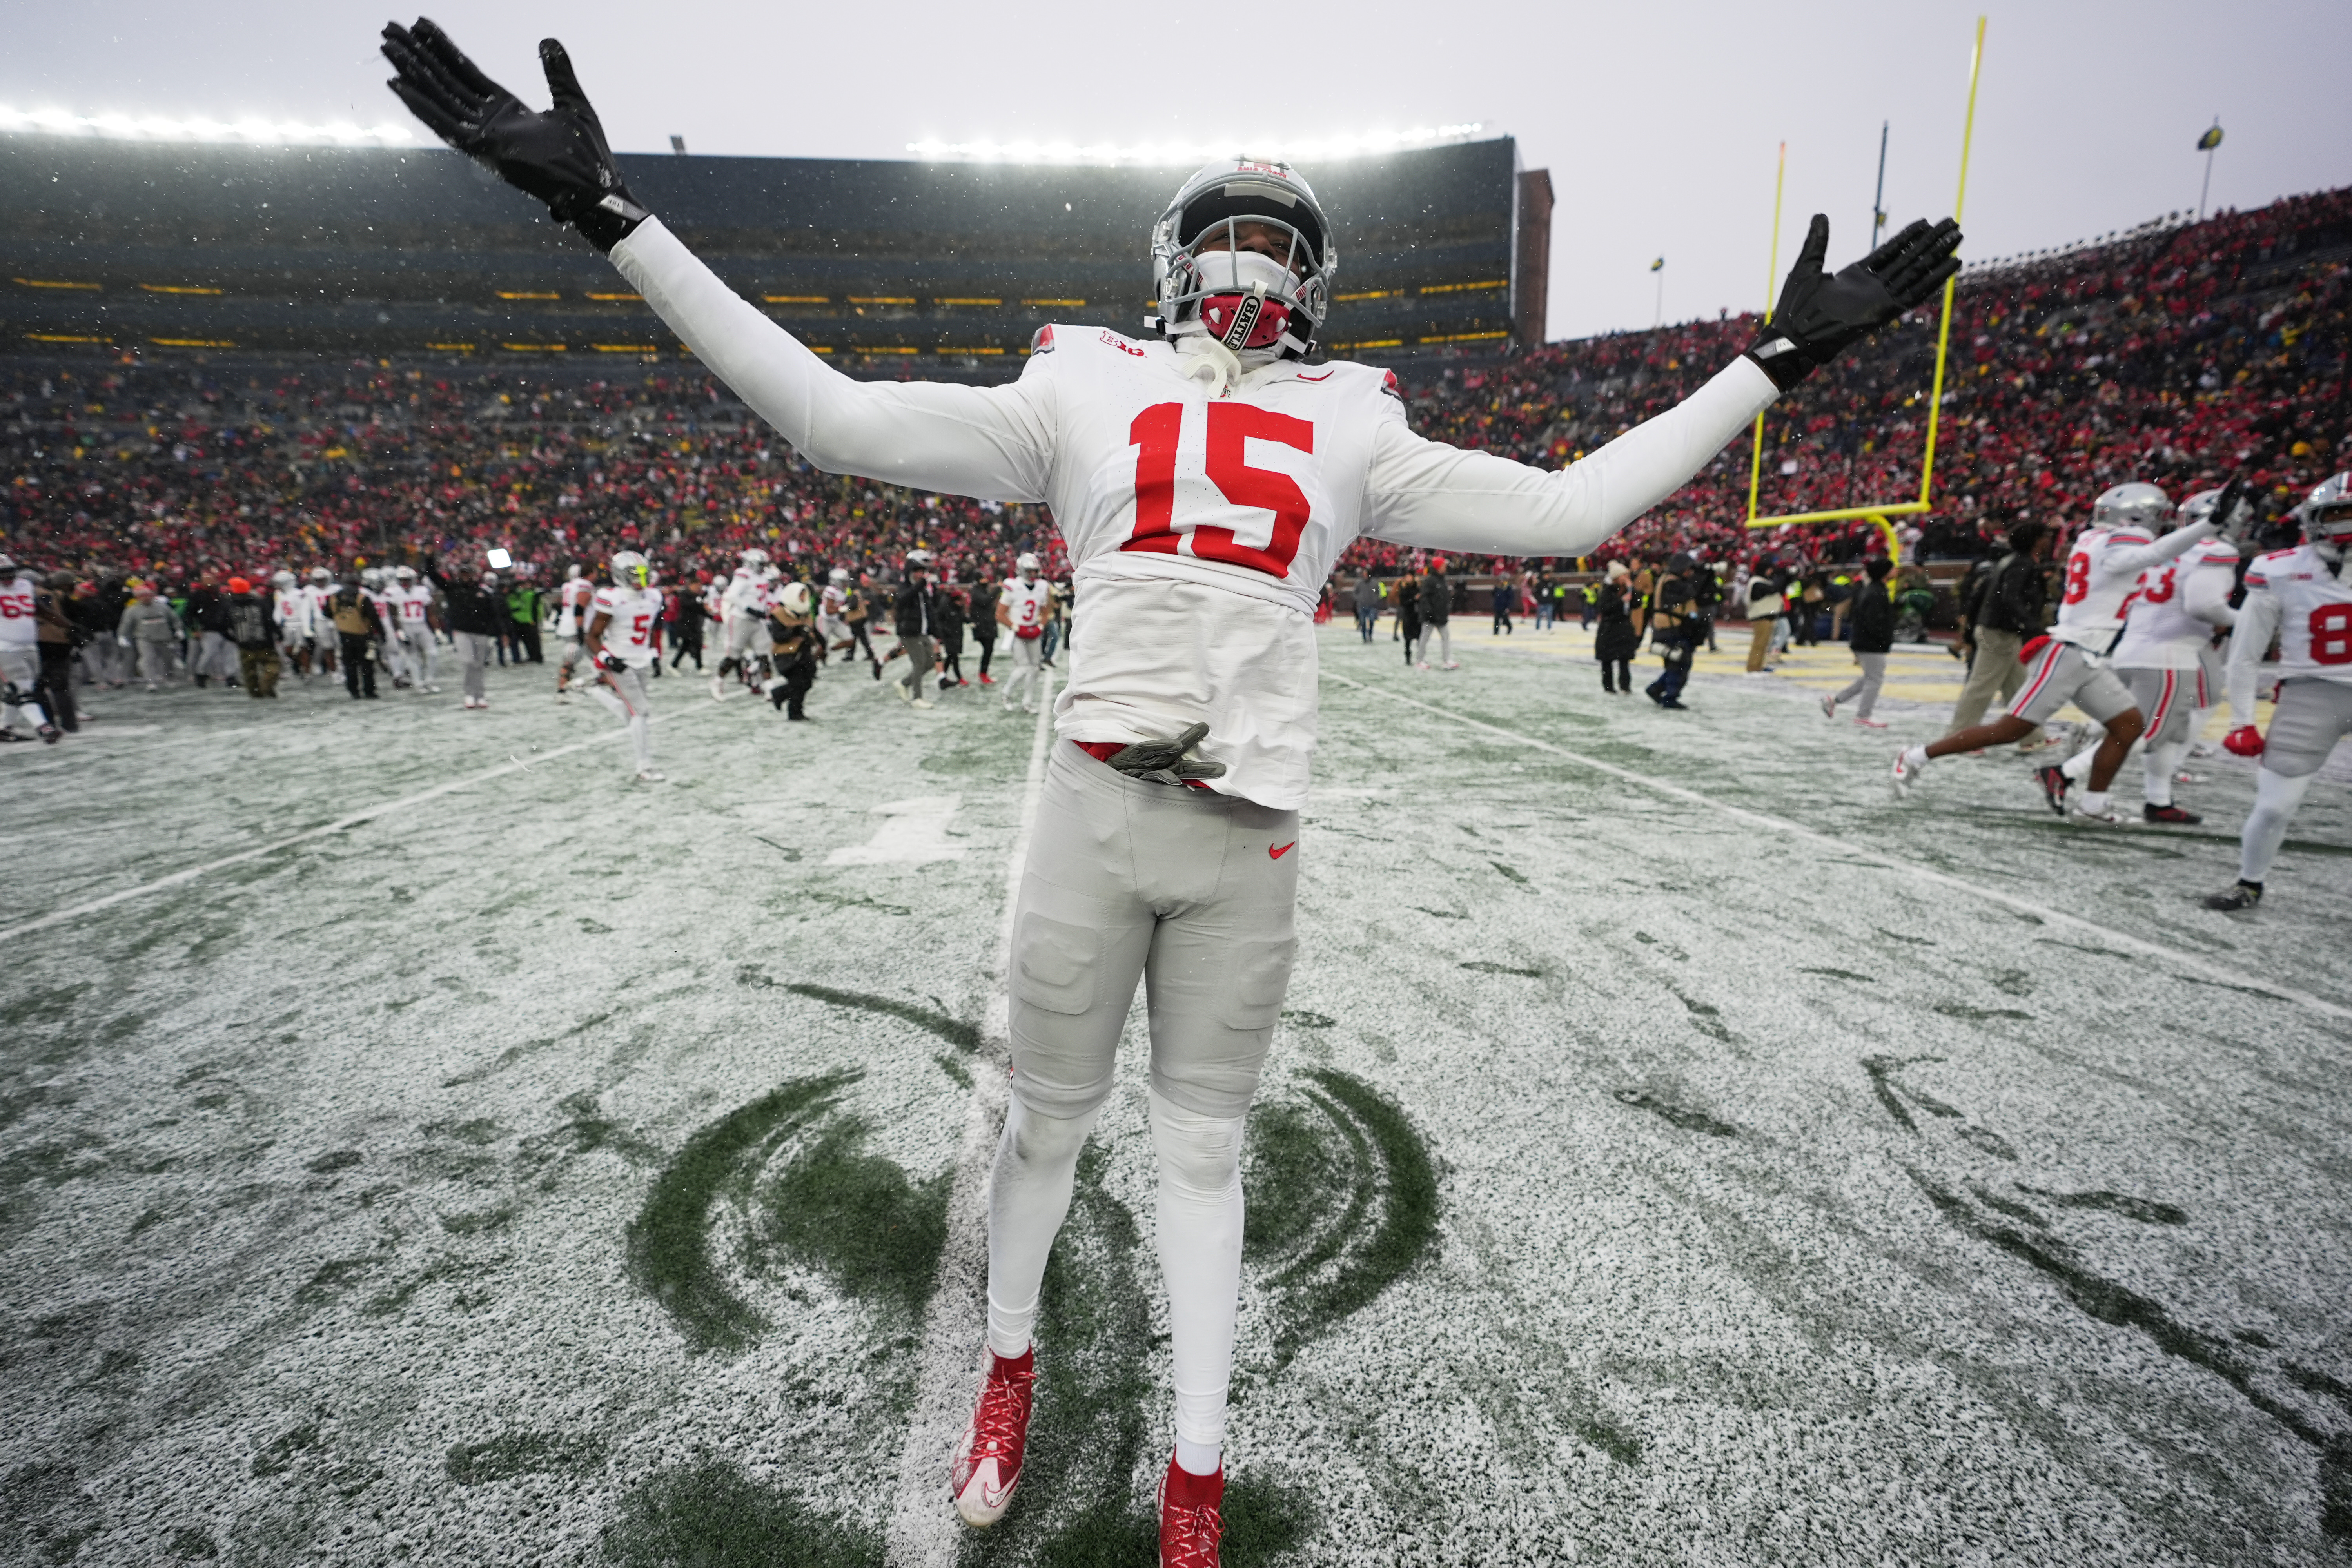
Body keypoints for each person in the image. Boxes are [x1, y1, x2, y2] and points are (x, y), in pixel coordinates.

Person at [382, 29, 1961, 1551]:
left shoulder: (1358, 419)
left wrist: (1778, 356)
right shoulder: (1080, 384)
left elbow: (1569, 510)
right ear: (1172, 257)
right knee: (1046, 1132)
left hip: (1247, 836)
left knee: (1206, 1154)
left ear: (1318, 280)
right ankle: (1009, 1369)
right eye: (1231, 236)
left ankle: (1195, 1474)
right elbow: (833, 417)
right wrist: (605, 212)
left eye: (1283, 243)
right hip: (1092, 812)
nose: (1255, 267)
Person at [1892, 482, 2232, 820]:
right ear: (2134, 517)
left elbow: (2153, 554)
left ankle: (2093, 804)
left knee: (2128, 727)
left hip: (2086, 655)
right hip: (2069, 653)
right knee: (2012, 729)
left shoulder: (2091, 539)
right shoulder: (2122, 544)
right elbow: (2154, 554)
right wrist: (2209, 525)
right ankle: (1916, 756)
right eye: (2155, 516)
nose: (2159, 523)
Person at [2203, 472, 2352, 911]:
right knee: (2274, 808)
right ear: (2315, 519)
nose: (2348, 522)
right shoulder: (2282, 569)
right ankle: (2250, 882)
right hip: (2312, 693)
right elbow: (2246, 654)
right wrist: (2242, 722)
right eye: (2340, 512)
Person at [2049, 486, 2243, 823]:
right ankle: (2066, 772)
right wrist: (2253, 623)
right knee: (2148, 733)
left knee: (2170, 730)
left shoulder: (2161, 547)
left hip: (2131, 646)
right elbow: (2203, 606)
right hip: (2171, 654)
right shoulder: (2213, 550)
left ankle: (2159, 799)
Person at [1945, 521, 2053, 736]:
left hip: (2000, 630)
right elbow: (2011, 598)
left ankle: (2032, 737)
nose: (2049, 540)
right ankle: (1960, 736)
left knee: (2018, 687)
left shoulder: (2011, 561)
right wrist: (2032, 626)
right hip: (1999, 633)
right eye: (2045, 536)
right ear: (2036, 541)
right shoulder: (2022, 564)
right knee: (1982, 687)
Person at [584, 548, 665, 780]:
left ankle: (595, 692)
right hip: (620, 661)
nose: (640, 579)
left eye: (643, 573)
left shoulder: (653, 597)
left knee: (633, 712)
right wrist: (607, 659)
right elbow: (592, 636)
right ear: (620, 575)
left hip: (641, 659)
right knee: (641, 711)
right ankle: (644, 767)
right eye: (635, 574)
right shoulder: (612, 598)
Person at [424, 555, 508, 710]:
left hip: (481, 633)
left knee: (479, 665)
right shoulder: (453, 589)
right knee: (469, 663)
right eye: (462, 574)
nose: (465, 577)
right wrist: (429, 558)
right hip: (462, 632)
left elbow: (494, 615)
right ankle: (469, 694)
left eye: (467, 574)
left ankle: (480, 695)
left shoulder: (483, 593)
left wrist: (501, 633)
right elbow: (433, 576)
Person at [1821, 557, 1893, 727]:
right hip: (1871, 643)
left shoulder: (1872, 590)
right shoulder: (1876, 592)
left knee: (1869, 678)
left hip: (1866, 642)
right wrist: (1882, 639)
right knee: (1874, 680)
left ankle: (1834, 701)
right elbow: (1873, 621)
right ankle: (1863, 715)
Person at [0, 554, 61, 743]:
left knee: (16, 691)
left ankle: (3, 728)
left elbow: (40, 610)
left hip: (30, 646)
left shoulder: (25, 585)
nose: (8, 577)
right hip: (6, 649)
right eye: (3, 573)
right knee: (24, 689)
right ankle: (44, 727)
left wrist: (70, 627)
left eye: (10, 572)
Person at [997, 552, 1051, 714]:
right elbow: (1000, 614)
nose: (1034, 574)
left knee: (1035, 668)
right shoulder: (1013, 585)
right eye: (1030, 571)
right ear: (1021, 570)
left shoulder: (1042, 586)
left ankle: (1027, 703)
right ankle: (1006, 694)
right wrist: (1016, 628)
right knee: (1022, 668)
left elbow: (1046, 612)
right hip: (1017, 632)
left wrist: (1040, 627)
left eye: (1035, 571)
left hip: (1033, 630)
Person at [1643, 552, 1697, 709]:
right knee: (1678, 663)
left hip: (1666, 628)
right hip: (1670, 629)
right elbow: (1689, 593)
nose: (1690, 573)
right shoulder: (1673, 583)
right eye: (1688, 569)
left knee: (1676, 662)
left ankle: (1657, 689)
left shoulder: (1666, 580)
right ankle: (1669, 696)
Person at [764, 578, 821, 720]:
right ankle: (795, 712)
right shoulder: (779, 613)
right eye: (800, 596)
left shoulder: (805, 613)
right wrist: (795, 631)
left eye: (804, 596)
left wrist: (822, 643)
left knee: (807, 682)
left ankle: (780, 695)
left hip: (804, 653)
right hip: (787, 655)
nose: (803, 599)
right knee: (798, 684)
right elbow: (778, 637)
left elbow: (814, 631)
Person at [891, 551, 942, 710]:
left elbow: (930, 611)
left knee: (931, 662)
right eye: (917, 572)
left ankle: (903, 683)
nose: (921, 575)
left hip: (923, 631)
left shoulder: (922, 590)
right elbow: (902, 600)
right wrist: (920, 585)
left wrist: (937, 631)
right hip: (909, 632)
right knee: (919, 664)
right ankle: (917, 698)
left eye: (922, 572)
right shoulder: (905, 587)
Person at [327, 572, 384, 700]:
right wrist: (382, 633)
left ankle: (354, 690)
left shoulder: (334, 599)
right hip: (363, 635)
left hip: (344, 635)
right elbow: (374, 618)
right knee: (367, 665)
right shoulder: (362, 598)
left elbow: (327, 613)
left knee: (350, 665)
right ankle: (369, 690)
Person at [224, 576, 283, 699]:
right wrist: (278, 633)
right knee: (273, 666)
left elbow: (223, 625)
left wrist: (233, 638)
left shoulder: (229, 606)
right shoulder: (260, 603)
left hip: (245, 646)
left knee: (249, 673)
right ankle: (266, 687)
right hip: (265, 644)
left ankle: (257, 693)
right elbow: (270, 621)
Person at [118, 581, 180, 690]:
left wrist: (179, 629)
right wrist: (122, 636)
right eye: (142, 596)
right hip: (145, 639)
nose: (146, 598)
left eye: (147, 595)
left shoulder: (162, 607)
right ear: (138, 598)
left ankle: (170, 678)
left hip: (164, 637)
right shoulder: (132, 610)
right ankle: (151, 682)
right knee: (148, 660)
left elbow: (174, 618)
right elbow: (126, 624)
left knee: (168, 660)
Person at [1593, 561, 1638, 694]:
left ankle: (1625, 686)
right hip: (1609, 630)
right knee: (1607, 661)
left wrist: (1632, 590)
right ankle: (1609, 687)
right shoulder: (1607, 590)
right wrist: (1621, 601)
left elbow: (1637, 604)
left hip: (1624, 629)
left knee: (1624, 660)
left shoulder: (1628, 589)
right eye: (1624, 576)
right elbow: (1604, 608)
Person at [554, 562, 596, 698]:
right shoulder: (584, 585)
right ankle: (563, 690)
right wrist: (580, 628)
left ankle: (563, 690)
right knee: (594, 657)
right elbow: (579, 608)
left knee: (573, 657)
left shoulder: (567, 586)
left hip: (566, 626)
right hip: (578, 626)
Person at [1416, 559, 1456, 668]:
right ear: (1438, 567)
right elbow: (1425, 599)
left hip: (1441, 616)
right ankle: (1420, 660)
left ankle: (1447, 660)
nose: (1445, 568)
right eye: (1443, 566)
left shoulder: (1442, 580)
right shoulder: (1430, 581)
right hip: (1431, 617)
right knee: (1425, 638)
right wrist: (1430, 613)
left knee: (1445, 637)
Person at [1742, 569, 1782, 672]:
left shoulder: (1762, 581)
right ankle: (1753, 667)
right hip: (1761, 617)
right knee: (1760, 643)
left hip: (1766, 616)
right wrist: (1782, 576)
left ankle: (1759, 666)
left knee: (1764, 644)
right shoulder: (1757, 582)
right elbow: (1772, 589)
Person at [967, 571, 1001, 686]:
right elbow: (986, 601)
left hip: (987, 625)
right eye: (983, 579)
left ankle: (984, 673)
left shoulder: (980, 590)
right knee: (988, 650)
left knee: (989, 650)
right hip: (983, 626)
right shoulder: (976, 591)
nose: (986, 581)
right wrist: (997, 590)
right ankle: (983, 674)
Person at [1352, 573, 1380, 642]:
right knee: (1363, 622)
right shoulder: (1359, 583)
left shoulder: (1374, 583)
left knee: (1371, 621)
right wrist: (1359, 599)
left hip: (1372, 606)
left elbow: (1378, 592)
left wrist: (1375, 599)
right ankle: (1364, 637)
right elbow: (1355, 593)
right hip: (1362, 606)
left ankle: (1370, 635)